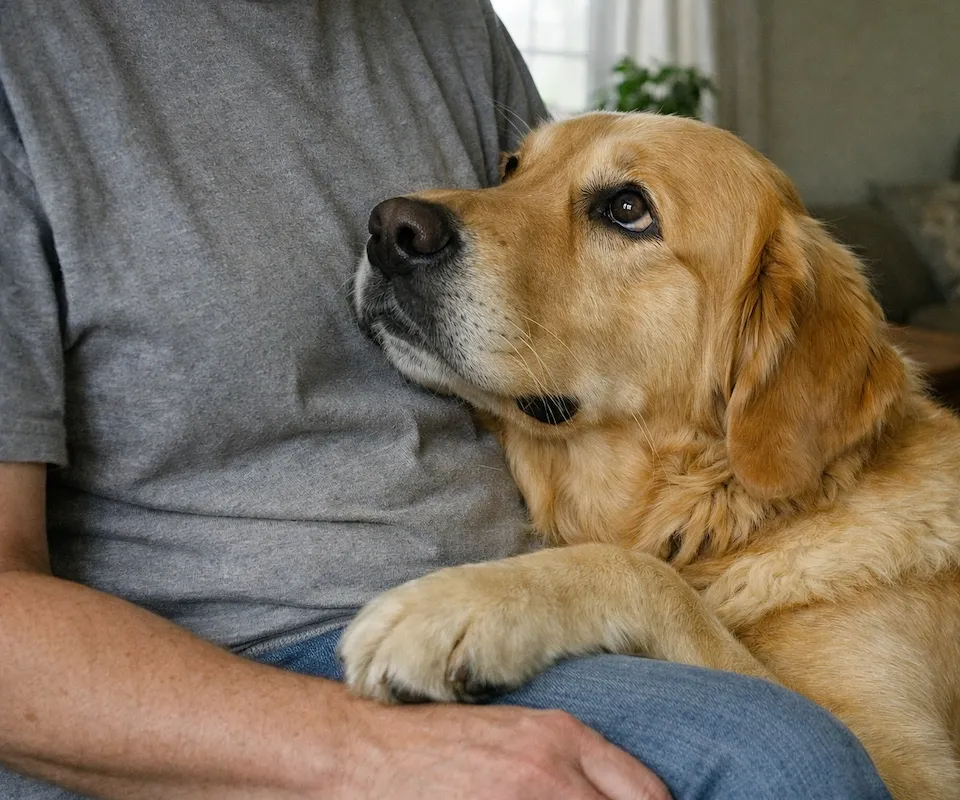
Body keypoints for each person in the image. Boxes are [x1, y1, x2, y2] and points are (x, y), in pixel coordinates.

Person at [0, 1, 893, 798]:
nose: (424, 221)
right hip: (236, 663)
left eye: (618, 209)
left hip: (526, 598)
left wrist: (610, 588)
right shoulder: (29, 52)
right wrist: (363, 754)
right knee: (781, 763)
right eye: (513, 167)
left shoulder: (454, 25)